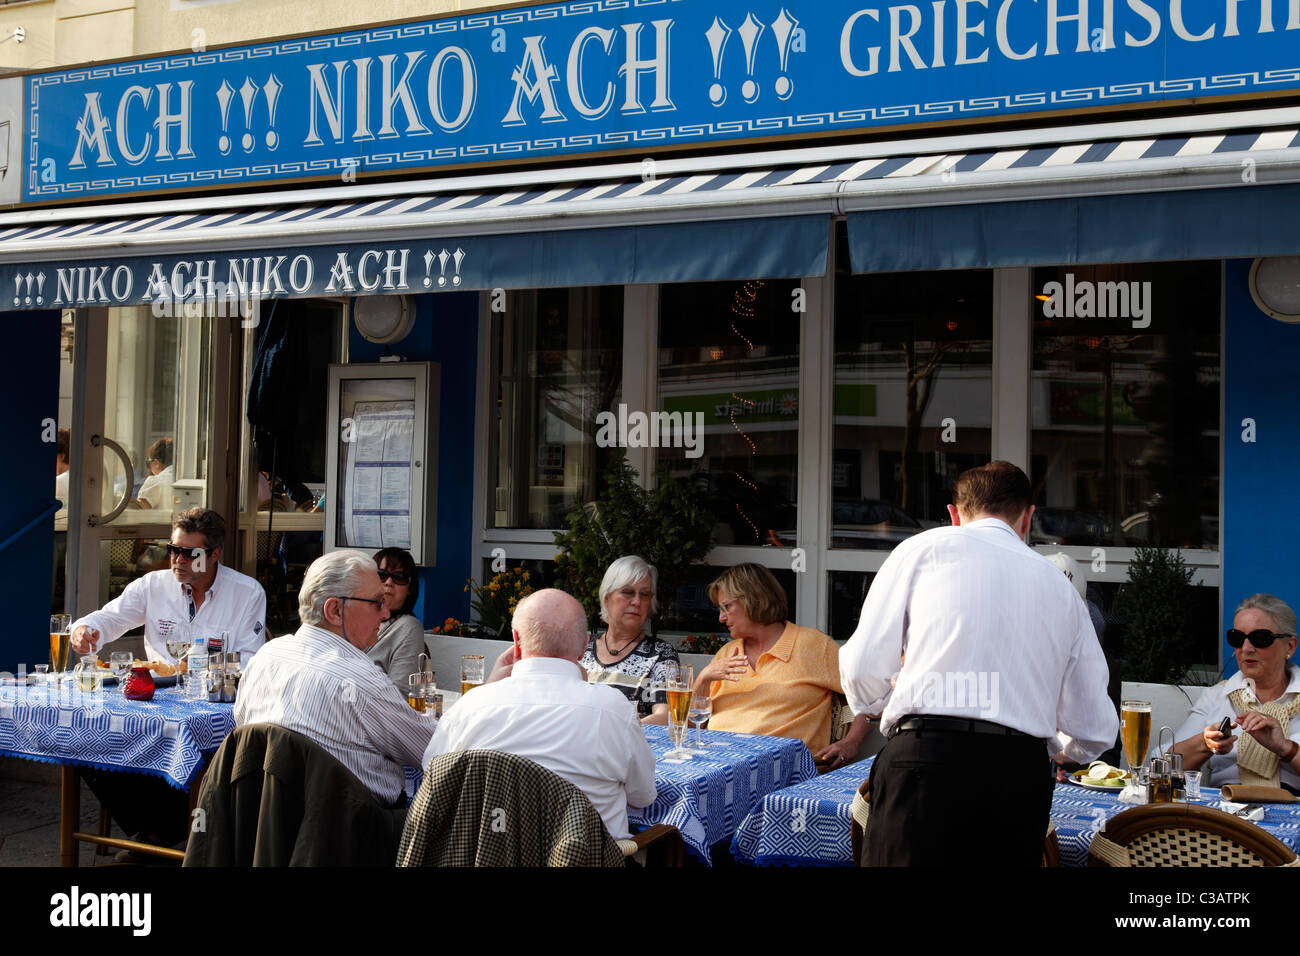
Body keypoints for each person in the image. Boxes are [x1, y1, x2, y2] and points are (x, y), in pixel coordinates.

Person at [840, 461, 1117, 866]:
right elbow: (1094, 727)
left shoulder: (922, 549)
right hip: (1016, 774)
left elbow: (862, 667)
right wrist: (1062, 748)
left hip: (923, 758)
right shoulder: (1060, 586)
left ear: (955, 515)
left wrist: (884, 700)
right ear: (1028, 518)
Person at [423, 588, 656, 840]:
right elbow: (642, 797)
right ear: (584, 646)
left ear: (516, 640)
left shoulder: (469, 709)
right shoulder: (613, 709)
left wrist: (488, 688)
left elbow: (434, 780)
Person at [236, 550, 434, 808]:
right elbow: (433, 750)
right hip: (352, 834)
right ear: (335, 610)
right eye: (376, 603)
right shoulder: (361, 679)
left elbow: (243, 734)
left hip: (264, 824)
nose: (384, 614)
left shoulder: (265, 657)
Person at [694, 563, 872, 766]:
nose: (721, 617)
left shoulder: (812, 645)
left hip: (782, 772)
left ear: (754, 599)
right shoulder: (727, 653)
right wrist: (703, 679)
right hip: (715, 763)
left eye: (727, 607)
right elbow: (690, 726)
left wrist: (851, 742)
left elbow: (869, 695)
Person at [71, 507, 267, 664]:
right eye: (174, 550)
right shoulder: (153, 585)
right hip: (160, 697)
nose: (179, 560)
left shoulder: (248, 593)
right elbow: (112, 618)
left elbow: (252, 659)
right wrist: (85, 630)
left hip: (217, 697)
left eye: (191, 553)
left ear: (214, 554)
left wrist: (204, 664)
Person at [1173, 593, 1300, 792]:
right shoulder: (1218, 696)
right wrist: (1205, 743)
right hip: (1226, 809)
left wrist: (1285, 747)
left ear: (1290, 646)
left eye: (1260, 638)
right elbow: (1163, 764)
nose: (1246, 648)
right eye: (1238, 638)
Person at [580, 555, 679, 724]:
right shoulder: (581, 647)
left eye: (645, 595)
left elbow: (665, 716)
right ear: (606, 598)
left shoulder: (660, 653)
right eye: (627, 592)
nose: (637, 601)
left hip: (628, 747)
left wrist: (615, 730)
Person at [367, 547, 427, 693]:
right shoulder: (353, 617)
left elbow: (401, 694)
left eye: (399, 576)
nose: (388, 582)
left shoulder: (408, 627)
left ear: (410, 588)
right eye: (381, 575)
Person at [136, 437, 175, 511]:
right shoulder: (186, 479)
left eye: (148, 463)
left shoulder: (155, 481)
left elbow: (140, 512)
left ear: (156, 463)